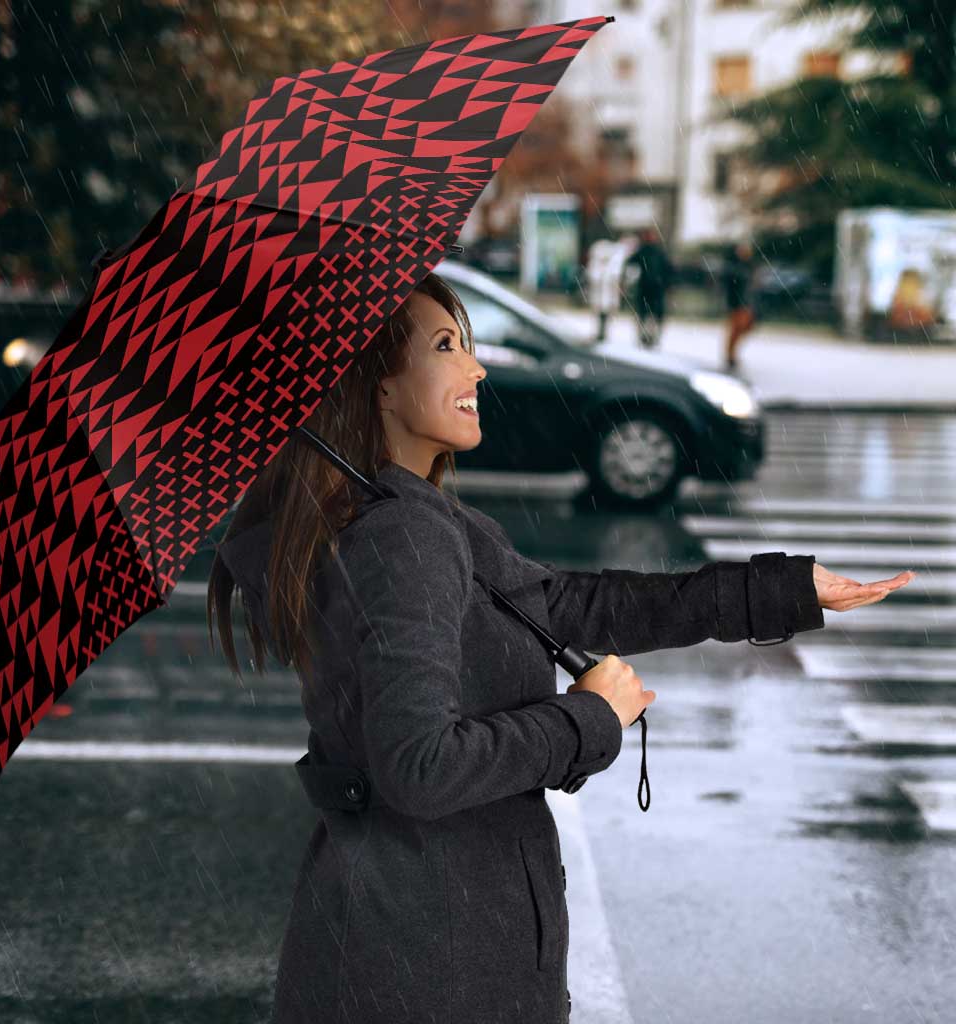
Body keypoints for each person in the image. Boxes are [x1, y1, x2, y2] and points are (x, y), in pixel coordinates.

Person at [208, 271, 913, 1024]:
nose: (476, 368)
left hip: (411, 944)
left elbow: (575, 605)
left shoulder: (412, 519)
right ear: (378, 387)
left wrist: (781, 590)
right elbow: (419, 768)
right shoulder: (401, 536)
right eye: (447, 346)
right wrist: (586, 719)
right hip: (428, 963)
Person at [624, 226, 674, 349]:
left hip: (655, 288)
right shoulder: (644, 251)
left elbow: (668, 270)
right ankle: (645, 337)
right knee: (645, 314)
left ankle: (651, 337)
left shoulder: (657, 252)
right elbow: (630, 264)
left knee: (652, 315)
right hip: (647, 288)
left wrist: (667, 284)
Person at [722, 239, 758, 370]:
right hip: (737, 303)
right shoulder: (734, 267)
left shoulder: (749, 266)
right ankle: (730, 355)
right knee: (736, 329)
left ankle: (731, 354)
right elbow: (731, 286)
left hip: (746, 303)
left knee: (744, 328)